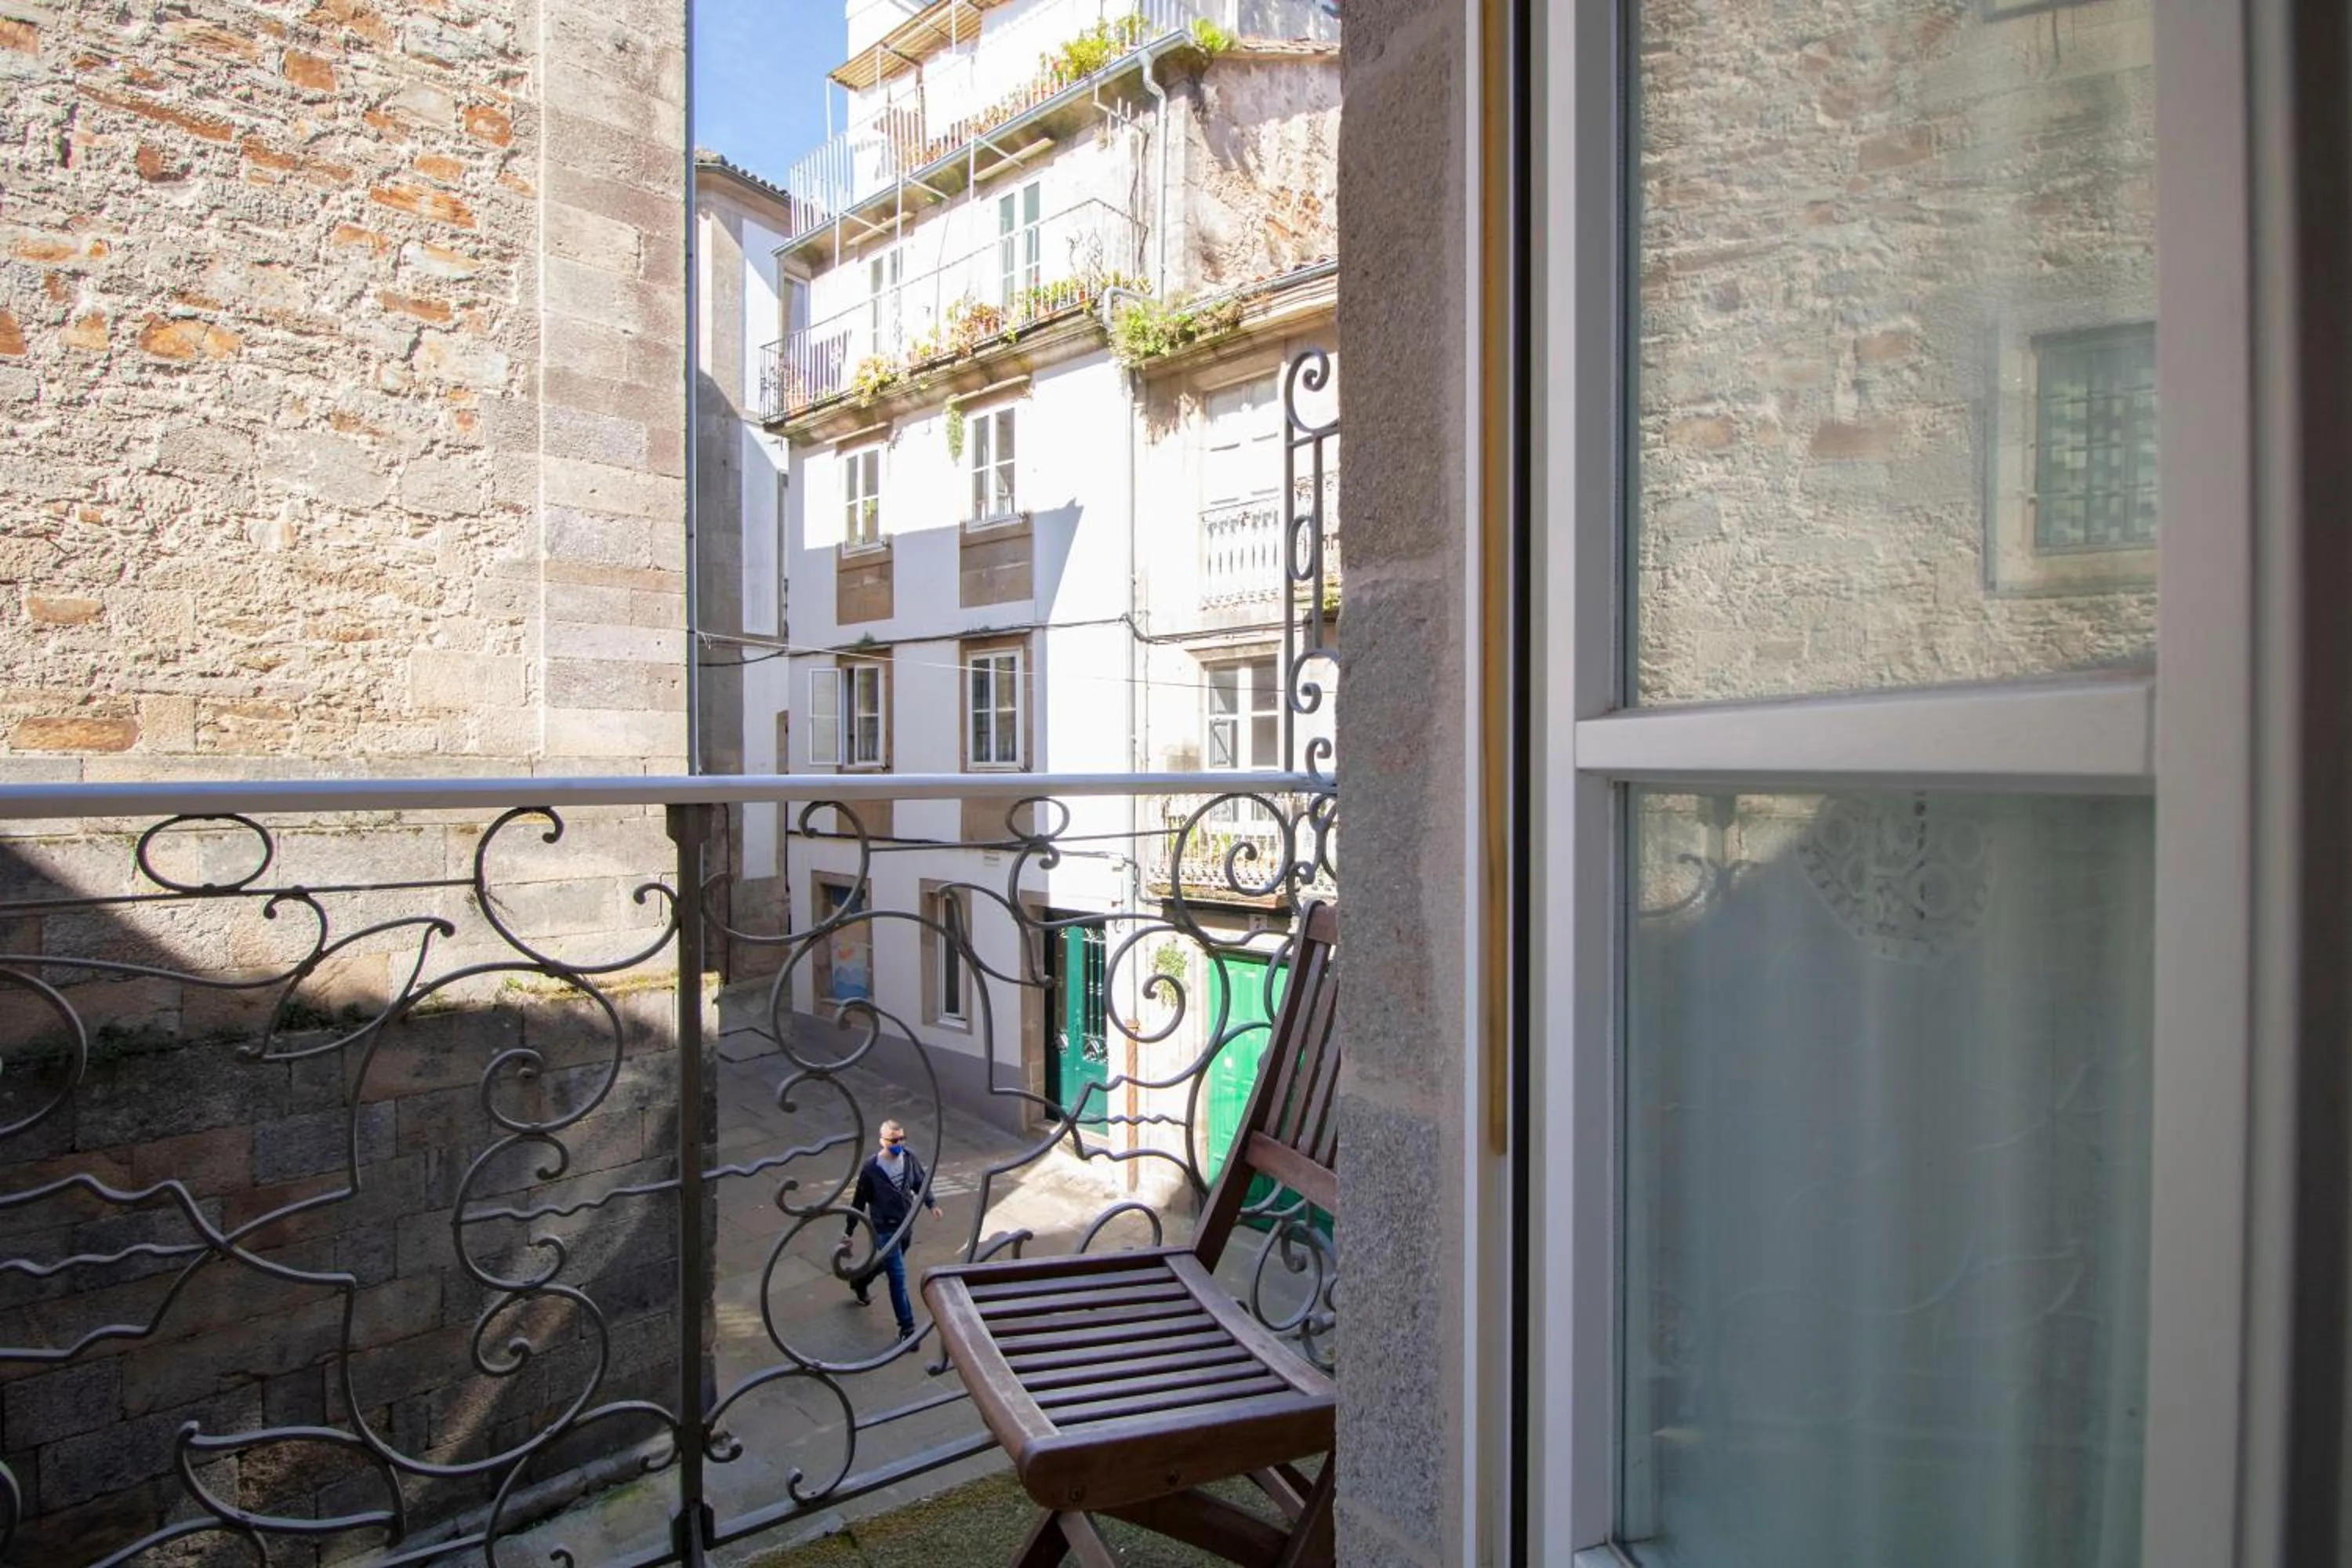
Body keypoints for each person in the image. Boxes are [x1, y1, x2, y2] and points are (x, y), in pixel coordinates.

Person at [837, 1119, 941, 1341]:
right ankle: (908, 1328)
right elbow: (858, 1201)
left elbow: (920, 1184)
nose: (899, 1144)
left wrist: (932, 1204)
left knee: (885, 1264)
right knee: (898, 1277)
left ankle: (860, 1281)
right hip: (885, 1230)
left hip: (906, 1226)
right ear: (883, 1141)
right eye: (895, 1140)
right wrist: (849, 1230)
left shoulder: (909, 1158)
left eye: (902, 1139)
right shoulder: (871, 1169)